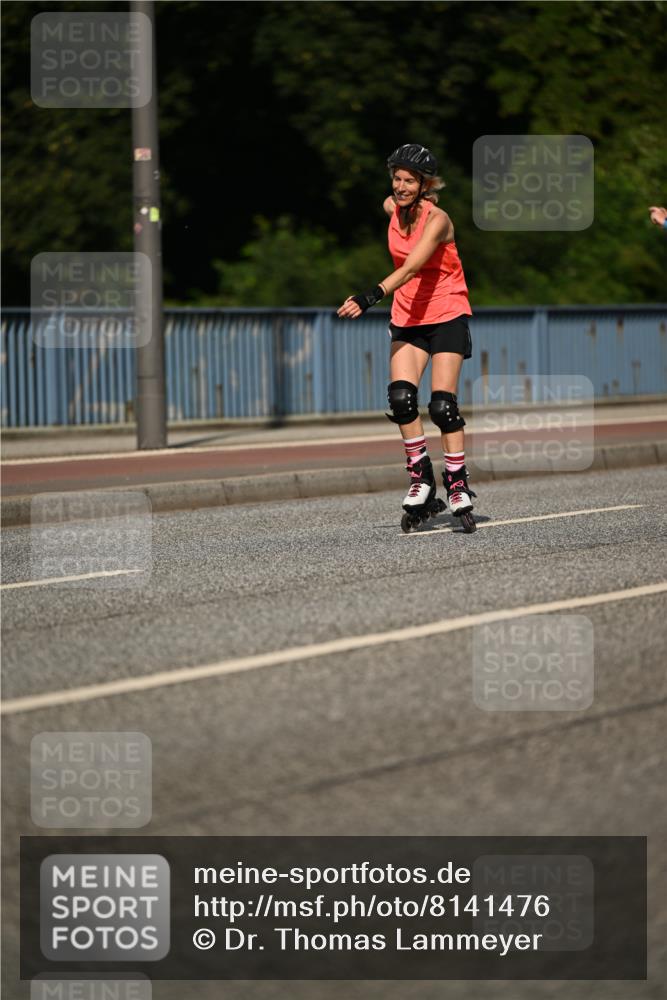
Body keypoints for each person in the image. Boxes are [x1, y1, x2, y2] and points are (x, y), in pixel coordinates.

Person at [337, 143, 476, 532]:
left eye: (409, 180)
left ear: (424, 184)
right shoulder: (390, 208)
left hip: (446, 313)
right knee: (401, 400)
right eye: (396, 178)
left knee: (442, 408)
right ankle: (421, 478)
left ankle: (458, 483)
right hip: (409, 317)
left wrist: (369, 296)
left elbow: (414, 266)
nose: (400, 186)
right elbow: (396, 228)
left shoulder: (439, 220)